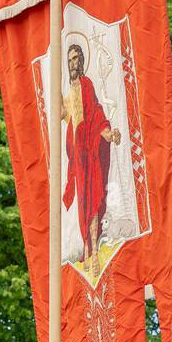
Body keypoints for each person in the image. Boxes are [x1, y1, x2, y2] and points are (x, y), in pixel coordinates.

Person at [62, 43, 121, 278]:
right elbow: (64, 115)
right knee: (83, 204)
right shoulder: (67, 92)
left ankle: (94, 250)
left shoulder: (86, 84)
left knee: (94, 199)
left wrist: (108, 133)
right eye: (69, 60)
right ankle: (87, 249)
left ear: (82, 61)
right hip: (77, 154)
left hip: (90, 151)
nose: (73, 63)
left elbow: (95, 111)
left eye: (76, 58)